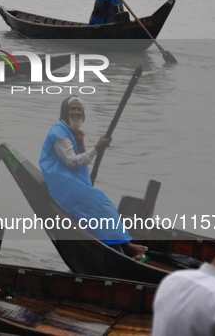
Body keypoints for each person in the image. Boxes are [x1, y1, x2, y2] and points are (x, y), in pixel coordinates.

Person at [39, 97, 147, 259]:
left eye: (79, 110)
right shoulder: (59, 133)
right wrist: (97, 147)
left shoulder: (71, 132)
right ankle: (122, 253)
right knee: (98, 208)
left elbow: (79, 156)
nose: (76, 112)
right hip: (64, 187)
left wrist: (82, 143)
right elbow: (72, 162)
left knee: (104, 206)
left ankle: (124, 244)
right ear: (64, 112)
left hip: (74, 184)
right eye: (72, 109)